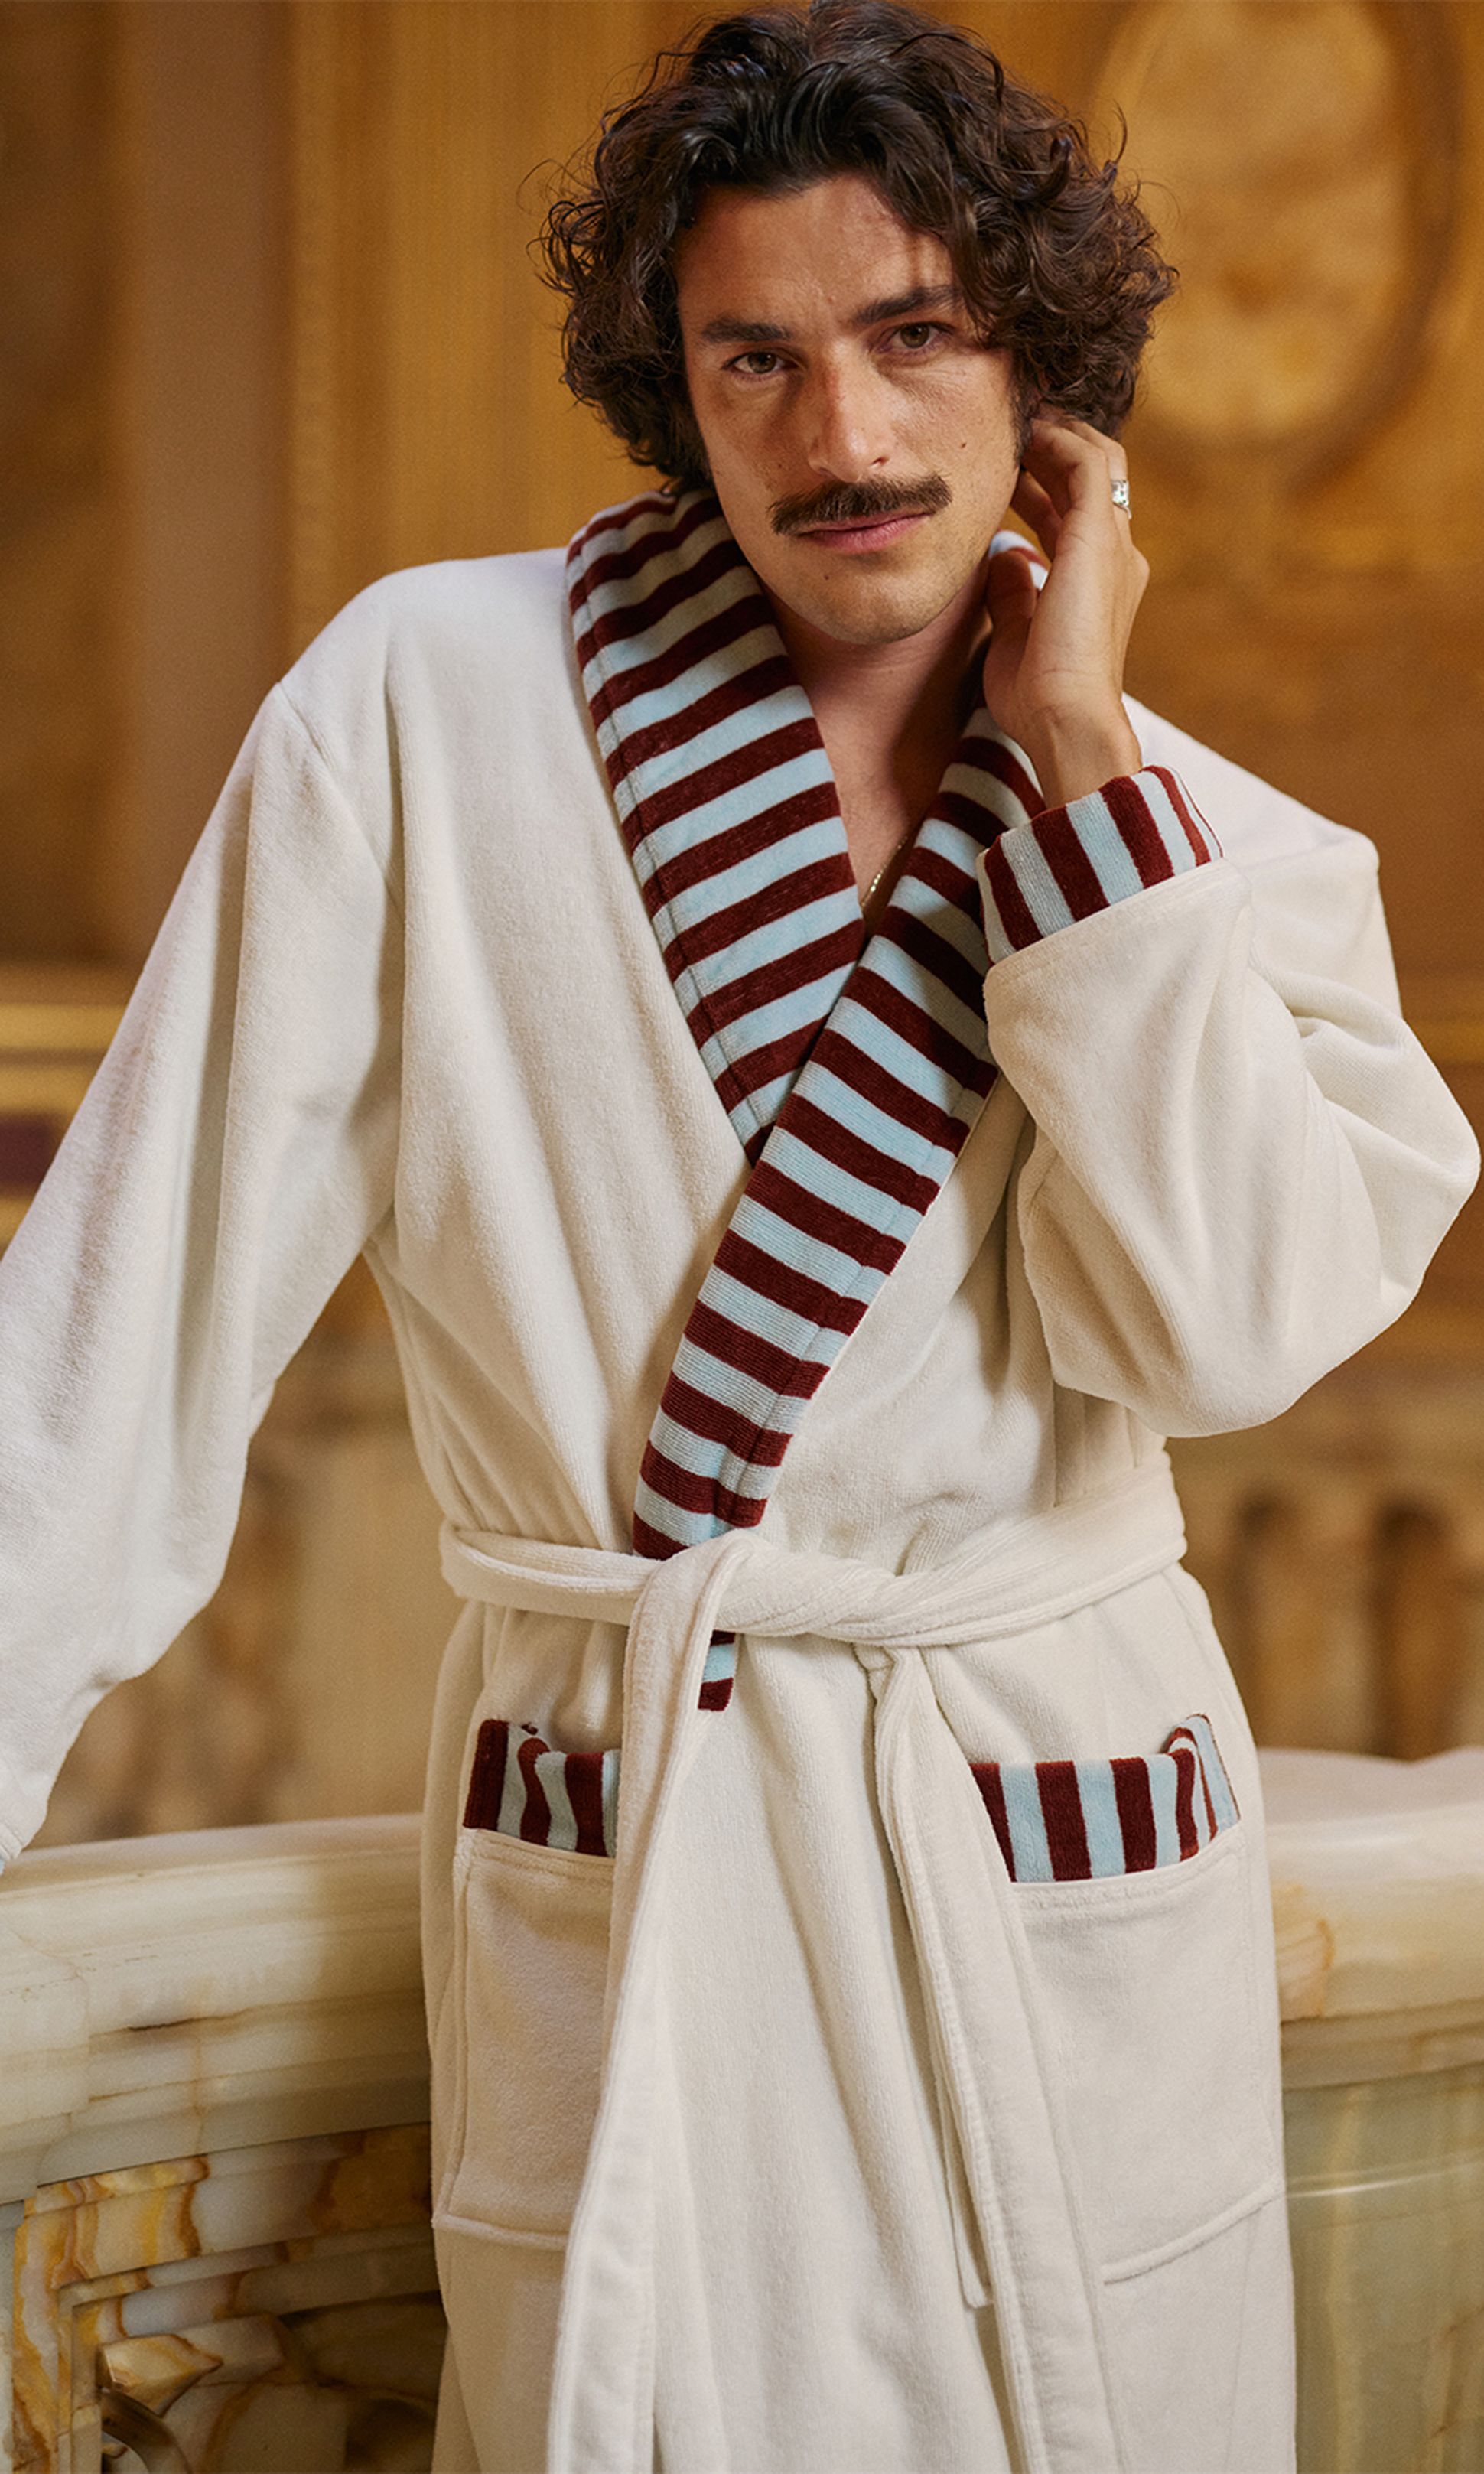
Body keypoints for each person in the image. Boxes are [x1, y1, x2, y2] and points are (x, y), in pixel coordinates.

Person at [0, 4, 1475, 2468]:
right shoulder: (420, 711)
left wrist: (1079, 766)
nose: (842, 437)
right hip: (642, 1836)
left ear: (1052, 382)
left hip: (1052, 1856)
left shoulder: (1220, 852)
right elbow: (103, 1358)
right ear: (668, 391)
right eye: (753, 358)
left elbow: (1217, 1329)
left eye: (914, 338)